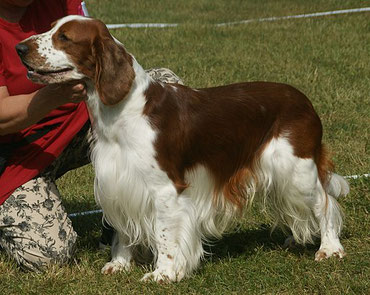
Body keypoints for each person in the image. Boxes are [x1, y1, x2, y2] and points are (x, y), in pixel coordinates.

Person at [0, 0, 183, 272]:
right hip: (18, 153)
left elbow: (100, 52)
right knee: (49, 255)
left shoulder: (62, 3)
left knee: (163, 87)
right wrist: (50, 98)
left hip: (81, 122)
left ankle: (128, 213)